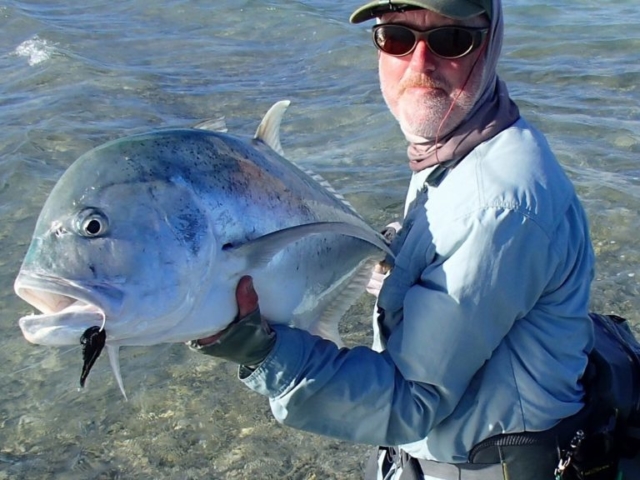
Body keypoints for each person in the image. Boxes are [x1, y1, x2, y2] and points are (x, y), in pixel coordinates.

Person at [190, 1, 603, 478]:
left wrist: (262, 352)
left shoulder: (497, 205)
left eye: (451, 40)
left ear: (488, 47)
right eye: (397, 38)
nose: (420, 63)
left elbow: (411, 401)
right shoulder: (458, 147)